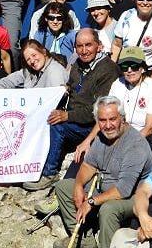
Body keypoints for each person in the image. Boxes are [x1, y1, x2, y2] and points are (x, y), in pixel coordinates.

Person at [53, 96, 152, 248]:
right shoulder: (102, 137)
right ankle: (85, 241)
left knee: (109, 209)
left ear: (122, 118)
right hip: (104, 188)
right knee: (63, 187)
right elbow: (88, 166)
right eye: (102, 120)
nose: (108, 125)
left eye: (112, 119)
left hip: (134, 196)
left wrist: (91, 201)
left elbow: (123, 190)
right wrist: (79, 186)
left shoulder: (135, 145)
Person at [24, 28, 119, 191]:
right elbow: (73, 88)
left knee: (57, 125)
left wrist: (67, 115)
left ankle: (49, 173)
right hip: (76, 118)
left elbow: (98, 110)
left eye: (88, 45)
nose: (84, 50)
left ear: (99, 46)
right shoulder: (78, 64)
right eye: (79, 46)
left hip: (94, 127)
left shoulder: (107, 70)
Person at [74, 47, 152, 163]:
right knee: (87, 154)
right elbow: (105, 116)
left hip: (147, 141)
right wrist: (87, 141)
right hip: (119, 137)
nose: (129, 70)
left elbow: (150, 128)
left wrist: (123, 145)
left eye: (134, 66)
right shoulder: (118, 84)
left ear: (142, 68)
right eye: (124, 66)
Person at [0, 39, 69, 89]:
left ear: (44, 52)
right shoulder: (29, 70)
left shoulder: (54, 71)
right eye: (28, 59)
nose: (32, 61)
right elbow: (8, 81)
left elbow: (54, 100)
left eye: (34, 55)